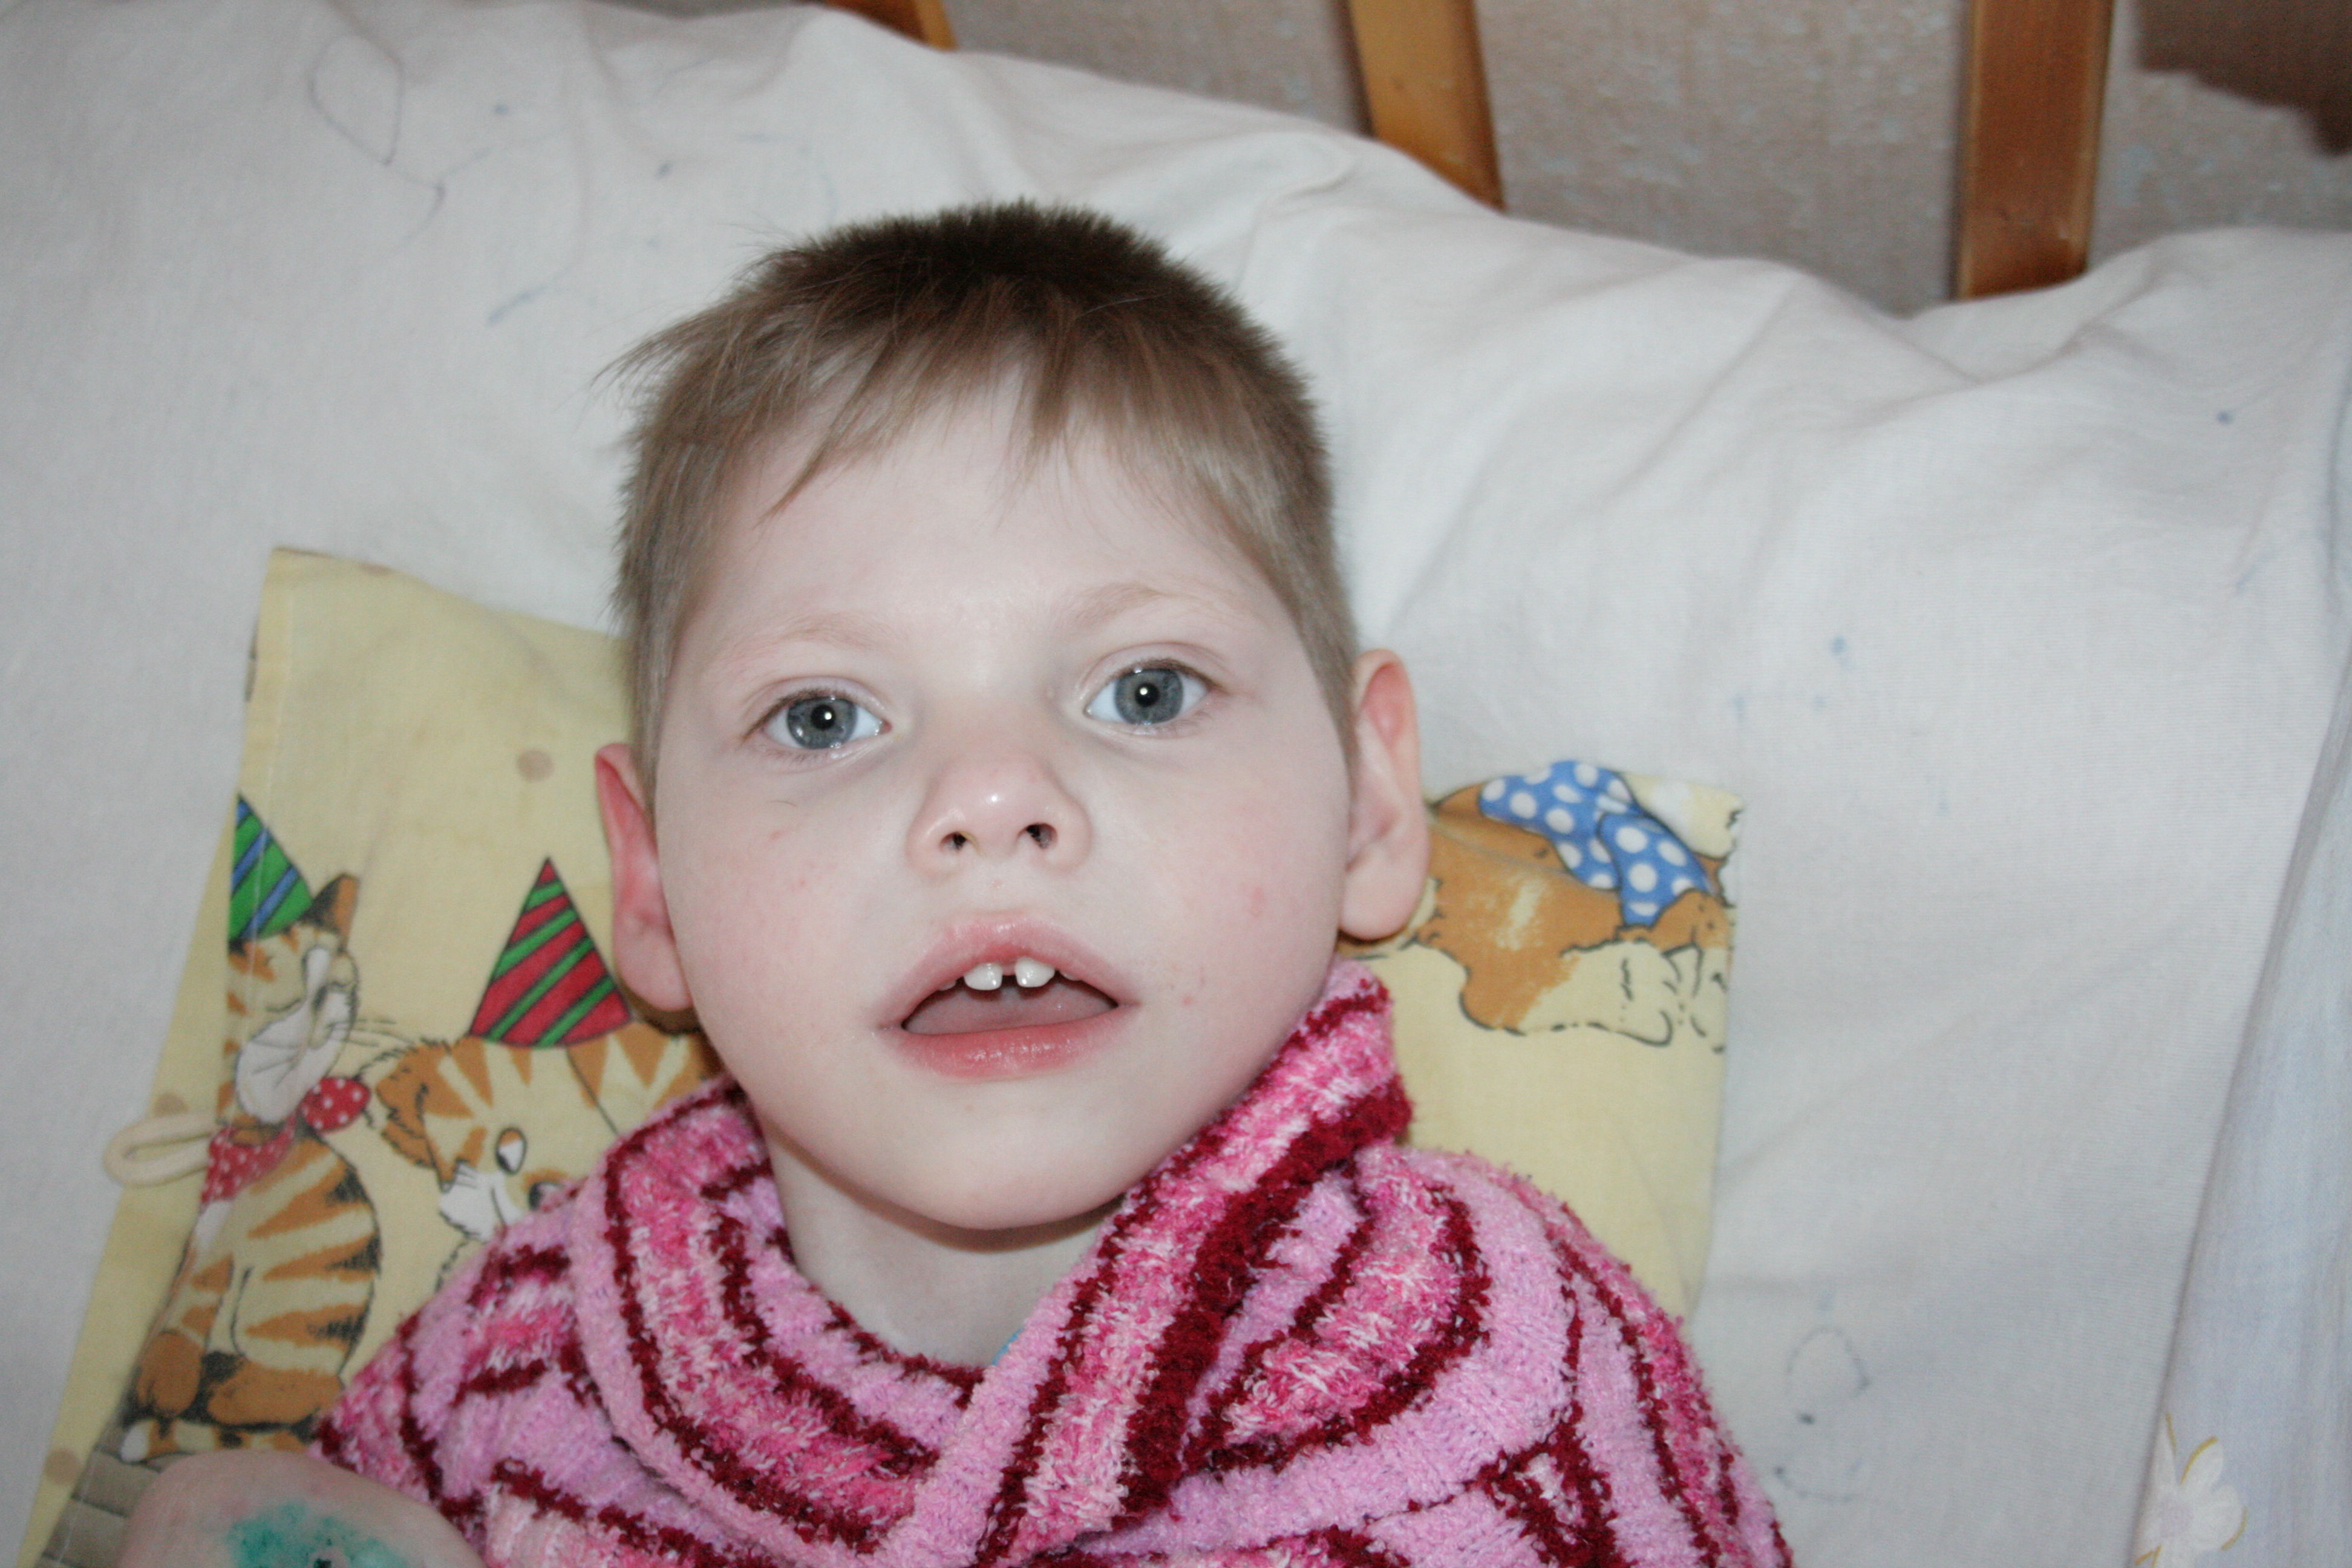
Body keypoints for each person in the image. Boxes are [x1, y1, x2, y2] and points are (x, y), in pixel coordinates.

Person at [121, 203, 1785, 1567]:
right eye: (824, 718)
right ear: (654, 884)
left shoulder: (1511, 1378)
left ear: (1363, 800)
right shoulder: (513, 1366)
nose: (991, 800)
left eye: (1143, 690)